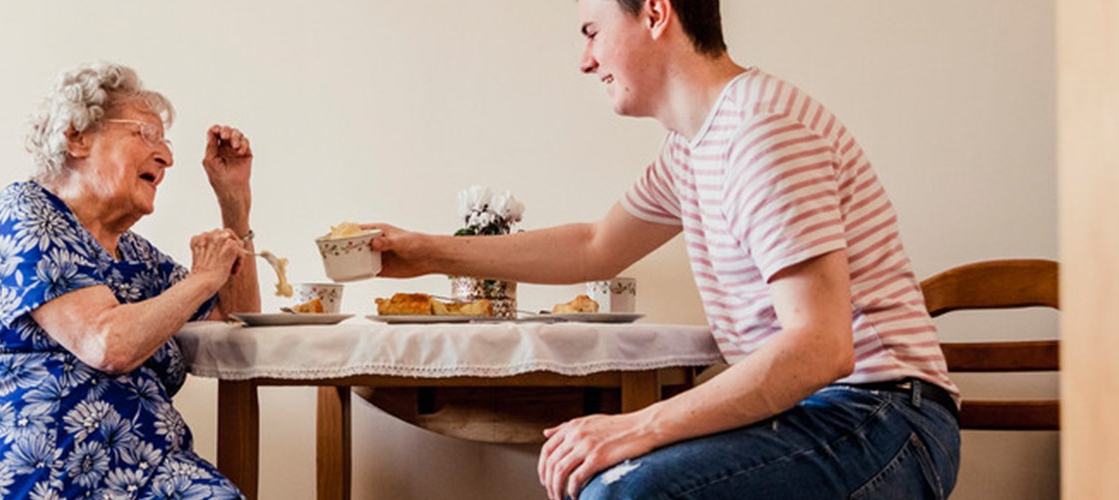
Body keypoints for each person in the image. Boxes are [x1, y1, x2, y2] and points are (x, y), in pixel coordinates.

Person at [367, 1, 960, 498]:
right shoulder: (695, 145)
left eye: (592, 32)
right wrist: (428, 253)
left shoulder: (764, 129)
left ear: (655, 12)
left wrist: (635, 427)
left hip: (883, 418)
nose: (584, 61)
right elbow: (594, 246)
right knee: (605, 481)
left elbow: (821, 346)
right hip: (823, 413)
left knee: (619, 491)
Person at [0, 61, 257, 499]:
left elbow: (238, 317)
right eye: (145, 133)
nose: (167, 156)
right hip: (8, 461)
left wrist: (234, 204)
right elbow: (107, 344)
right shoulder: (26, 211)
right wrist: (203, 278)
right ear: (76, 136)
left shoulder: (138, 257)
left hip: (138, 470)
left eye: (165, 142)